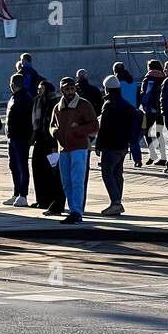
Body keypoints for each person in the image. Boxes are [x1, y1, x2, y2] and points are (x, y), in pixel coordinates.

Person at [49, 76, 98, 223]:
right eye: (67, 88)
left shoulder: (84, 105)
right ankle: (72, 209)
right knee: (66, 181)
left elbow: (94, 126)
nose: (70, 91)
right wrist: (55, 132)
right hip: (63, 148)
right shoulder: (58, 107)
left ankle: (77, 211)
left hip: (79, 148)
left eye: (72, 88)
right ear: (62, 90)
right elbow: (51, 125)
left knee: (77, 180)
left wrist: (78, 131)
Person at [92, 75, 140, 217]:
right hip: (123, 145)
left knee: (107, 173)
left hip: (110, 145)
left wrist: (98, 145)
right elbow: (136, 116)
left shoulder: (108, 105)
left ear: (106, 89)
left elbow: (104, 128)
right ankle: (117, 201)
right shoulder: (126, 104)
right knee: (118, 173)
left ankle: (116, 203)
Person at [31, 78, 63, 214]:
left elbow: (53, 124)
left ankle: (49, 200)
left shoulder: (53, 103)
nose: (38, 90)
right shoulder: (38, 102)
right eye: (38, 88)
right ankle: (40, 199)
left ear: (47, 89)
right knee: (37, 169)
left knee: (50, 172)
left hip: (51, 143)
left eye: (41, 88)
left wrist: (54, 144)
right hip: (39, 140)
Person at [4, 73, 33, 206]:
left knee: (21, 166)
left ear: (13, 84)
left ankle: (23, 195)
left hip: (20, 137)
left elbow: (24, 121)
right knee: (14, 165)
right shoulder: (15, 97)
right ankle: (17, 193)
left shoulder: (24, 98)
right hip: (13, 137)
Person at [112, 61, 143, 166]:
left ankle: (116, 159)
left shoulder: (116, 84)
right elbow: (138, 97)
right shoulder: (133, 82)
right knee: (133, 138)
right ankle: (138, 159)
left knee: (117, 136)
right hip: (133, 111)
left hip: (120, 112)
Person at [139, 59, 167, 164]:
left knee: (145, 130)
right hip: (160, 109)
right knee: (159, 132)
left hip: (149, 110)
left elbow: (146, 94)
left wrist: (144, 105)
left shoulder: (149, 78)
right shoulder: (164, 78)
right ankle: (163, 157)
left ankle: (153, 154)